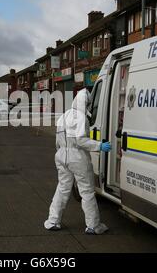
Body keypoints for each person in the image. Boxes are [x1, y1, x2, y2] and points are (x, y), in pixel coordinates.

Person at [44, 88, 112, 235]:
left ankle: (53, 221)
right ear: (85, 103)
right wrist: (99, 145)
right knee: (87, 191)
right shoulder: (81, 117)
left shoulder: (63, 116)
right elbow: (81, 140)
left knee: (62, 189)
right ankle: (93, 225)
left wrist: (62, 153)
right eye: (88, 103)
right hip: (78, 158)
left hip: (61, 156)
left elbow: (57, 141)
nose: (88, 106)